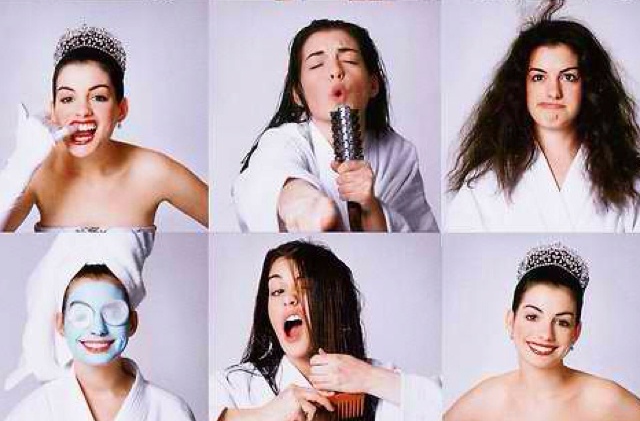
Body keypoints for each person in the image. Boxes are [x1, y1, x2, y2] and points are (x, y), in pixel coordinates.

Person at [233, 19, 437, 232]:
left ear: (373, 84)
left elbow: (418, 232)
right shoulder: (282, 141)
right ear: (297, 94)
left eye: (349, 60)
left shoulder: (399, 153)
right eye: (316, 64)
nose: (335, 71)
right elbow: (267, 177)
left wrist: (372, 208)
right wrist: (305, 205)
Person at [446, 9, 640, 232]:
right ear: (521, 87)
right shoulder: (484, 184)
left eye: (568, 77)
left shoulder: (629, 180)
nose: (553, 92)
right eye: (539, 77)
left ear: (588, 86)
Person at [0, 24, 208, 231]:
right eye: (67, 98)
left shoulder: (154, 170)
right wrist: (19, 166)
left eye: (98, 97)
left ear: (121, 109)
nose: (82, 111)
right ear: (52, 110)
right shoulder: (36, 172)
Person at [213, 239, 441, 421]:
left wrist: (369, 378)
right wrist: (265, 416)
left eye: (305, 288)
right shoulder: (234, 385)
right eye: (277, 291)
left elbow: (453, 408)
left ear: (334, 303)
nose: (289, 299)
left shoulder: (379, 380)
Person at [4, 232, 195, 420]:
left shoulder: (172, 412)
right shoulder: (30, 414)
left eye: (113, 313)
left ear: (132, 322)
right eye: (81, 315)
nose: (98, 328)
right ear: (61, 324)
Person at [445, 242, 640, 421]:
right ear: (511, 321)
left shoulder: (604, 400)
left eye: (562, 322)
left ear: (576, 332)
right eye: (532, 317)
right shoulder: (485, 401)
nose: (546, 334)